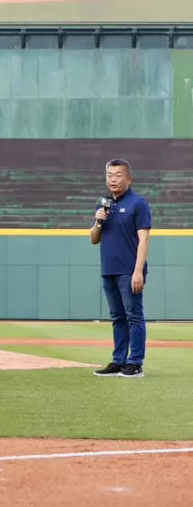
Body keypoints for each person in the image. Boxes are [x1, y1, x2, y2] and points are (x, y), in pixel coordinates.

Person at [91, 159, 152, 379]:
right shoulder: (103, 205)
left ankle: (135, 363)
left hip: (129, 270)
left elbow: (144, 240)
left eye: (117, 175)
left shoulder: (138, 203)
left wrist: (138, 271)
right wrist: (98, 222)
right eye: (109, 175)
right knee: (117, 317)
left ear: (128, 178)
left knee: (133, 315)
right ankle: (118, 361)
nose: (112, 179)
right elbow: (93, 239)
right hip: (109, 270)